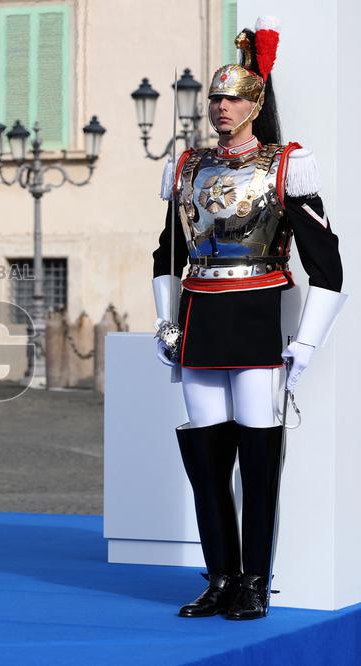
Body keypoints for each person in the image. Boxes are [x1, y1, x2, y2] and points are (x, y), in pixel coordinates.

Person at [152, 17, 347, 621]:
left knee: (258, 462)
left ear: (256, 101)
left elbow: (328, 265)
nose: (221, 107)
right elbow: (168, 253)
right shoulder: (188, 168)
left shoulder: (286, 163)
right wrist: (166, 323)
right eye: (215, 97)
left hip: (258, 319)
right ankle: (221, 578)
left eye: (233, 96)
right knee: (206, 461)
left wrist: (307, 343)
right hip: (200, 316)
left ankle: (255, 582)